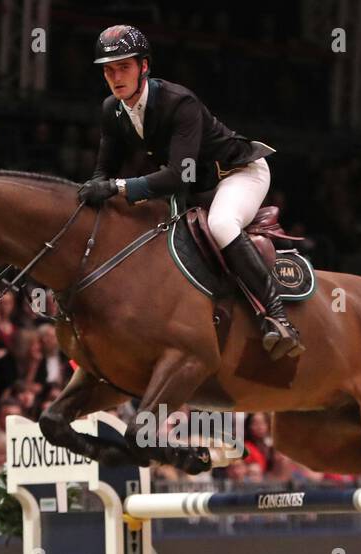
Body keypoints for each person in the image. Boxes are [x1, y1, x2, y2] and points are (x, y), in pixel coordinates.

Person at [79, 24, 302, 359]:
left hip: (238, 173)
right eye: (109, 70)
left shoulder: (178, 102)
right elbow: (104, 173)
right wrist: (88, 194)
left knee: (222, 224)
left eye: (124, 67)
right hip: (197, 187)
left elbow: (175, 177)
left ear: (144, 66)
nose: (115, 76)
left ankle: (277, 317)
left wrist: (119, 187)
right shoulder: (112, 110)